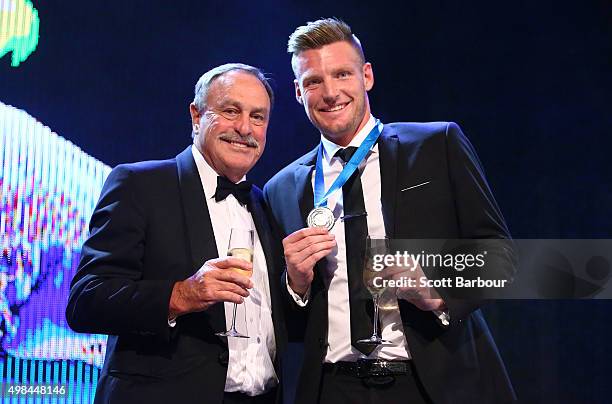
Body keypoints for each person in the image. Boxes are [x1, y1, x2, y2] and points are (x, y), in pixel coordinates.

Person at [264, 18, 516, 404]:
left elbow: (502, 258)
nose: (330, 92)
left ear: (366, 76)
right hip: (332, 387)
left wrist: (434, 291)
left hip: (435, 382)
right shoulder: (281, 188)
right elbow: (288, 323)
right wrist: (295, 284)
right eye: (313, 81)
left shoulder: (437, 144)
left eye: (342, 74)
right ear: (299, 93)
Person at [66, 63, 286, 404]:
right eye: (230, 111)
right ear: (196, 116)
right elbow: (86, 301)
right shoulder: (140, 185)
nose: (245, 127)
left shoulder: (265, 204)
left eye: (258, 117)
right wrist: (180, 295)